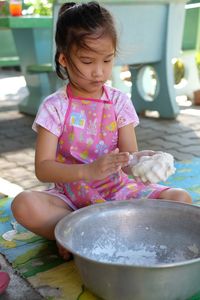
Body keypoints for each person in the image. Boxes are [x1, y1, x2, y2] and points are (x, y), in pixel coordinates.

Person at [11, 1, 192, 259]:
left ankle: (80, 234)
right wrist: (87, 170)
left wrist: (144, 161)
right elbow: (43, 168)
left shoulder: (119, 101)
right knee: (24, 204)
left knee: (181, 199)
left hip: (119, 192)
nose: (99, 72)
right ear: (64, 58)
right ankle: (78, 226)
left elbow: (128, 159)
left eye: (107, 60)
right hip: (72, 198)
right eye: (87, 61)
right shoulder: (55, 107)